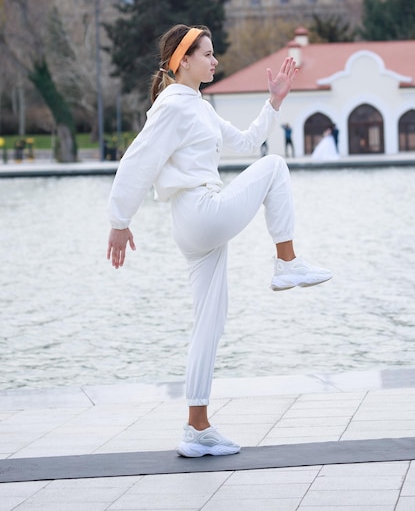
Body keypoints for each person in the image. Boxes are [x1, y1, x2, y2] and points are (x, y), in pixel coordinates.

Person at [107, 24, 333, 459]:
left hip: (195, 224)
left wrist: (275, 101)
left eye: (213, 54)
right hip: (199, 211)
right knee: (275, 166)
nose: (215, 61)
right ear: (183, 61)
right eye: (207, 54)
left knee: (208, 325)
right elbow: (137, 159)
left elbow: (248, 142)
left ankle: (197, 427)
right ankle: (286, 262)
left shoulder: (198, 107)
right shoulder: (174, 106)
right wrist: (119, 220)